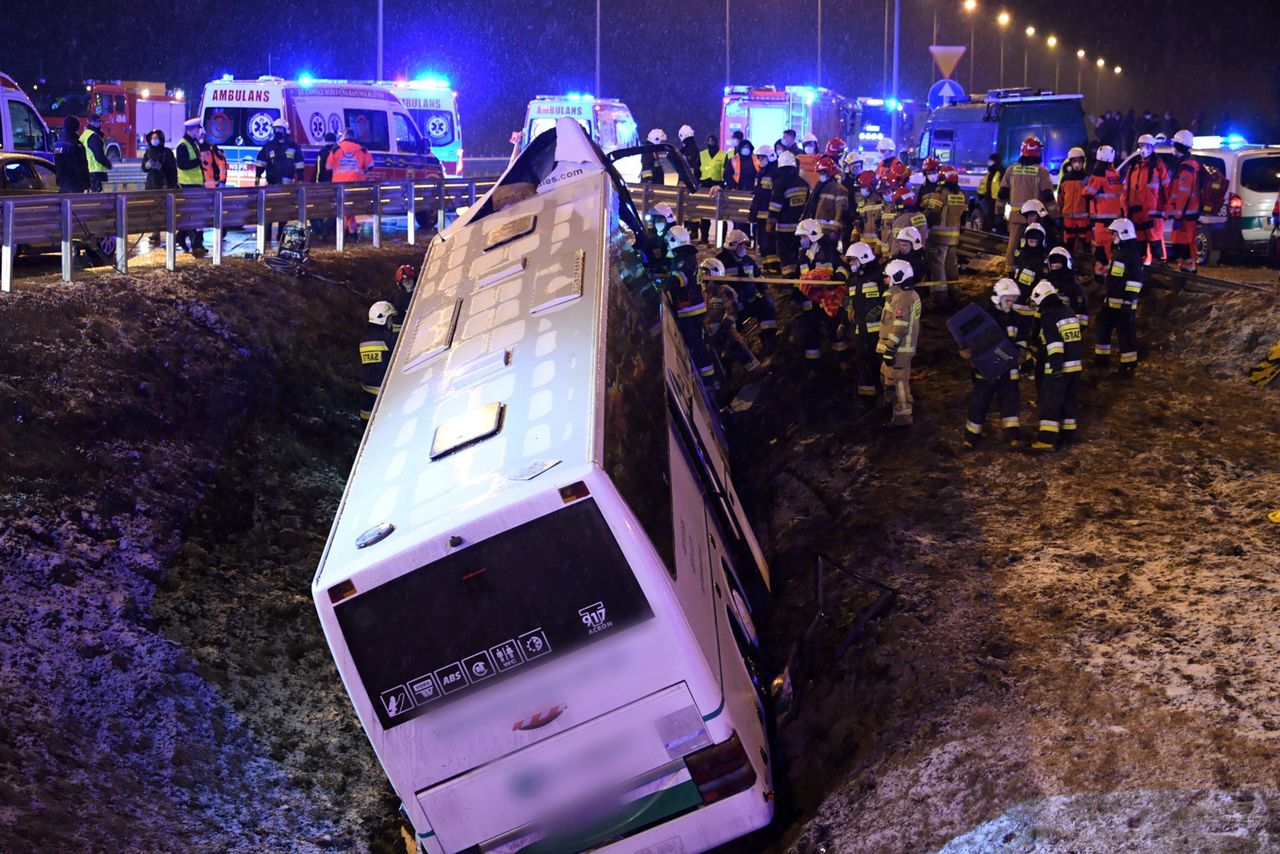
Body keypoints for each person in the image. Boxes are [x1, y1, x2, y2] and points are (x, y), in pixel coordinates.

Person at [961, 278, 1024, 449]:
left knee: (1010, 402)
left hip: (1008, 370)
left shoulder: (1017, 318)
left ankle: (1012, 436)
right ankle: (971, 437)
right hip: (987, 369)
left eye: (1013, 299)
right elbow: (970, 339)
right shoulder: (982, 318)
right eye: (1008, 299)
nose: (1011, 303)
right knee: (979, 402)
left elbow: (1022, 341)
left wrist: (1021, 354)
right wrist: (968, 353)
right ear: (998, 297)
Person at [1030, 281, 1084, 449]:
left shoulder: (1049, 314)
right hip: (1075, 367)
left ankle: (1046, 440)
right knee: (1069, 401)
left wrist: (1055, 368)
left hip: (1059, 367)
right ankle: (1068, 435)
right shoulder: (1068, 311)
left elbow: (1054, 343)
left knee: (1050, 403)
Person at [1093, 217, 1145, 374]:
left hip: (1124, 304)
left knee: (1126, 334)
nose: (1112, 237)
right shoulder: (1120, 251)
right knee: (1102, 325)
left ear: (1124, 233)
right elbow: (1117, 275)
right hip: (1112, 301)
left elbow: (1135, 280)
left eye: (1114, 234)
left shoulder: (1131, 254)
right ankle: (1101, 359)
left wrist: (1129, 302)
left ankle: (1128, 365)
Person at [998, 136, 1056, 272]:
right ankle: (1034, 271)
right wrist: (1055, 216)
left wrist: (998, 213)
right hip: (1035, 218)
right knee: (1036, 245)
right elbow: (1048, 195)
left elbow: (1002, 193)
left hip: (1015, 216)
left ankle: (1010, 271)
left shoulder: (1011, 170)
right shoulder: (1041, 171)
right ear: (1037, 152)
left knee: (1012, 245)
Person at [717, 228, 778, 355]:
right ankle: (726, 359)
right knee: (730, 338)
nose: (745, 247)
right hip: (729, 308)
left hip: (747, 303)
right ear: (733, 245)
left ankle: (769, 343)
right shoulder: (721, 262)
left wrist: (765, 292)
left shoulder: (748, 260)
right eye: (742, 245)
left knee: (766, 307)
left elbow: (758, 278)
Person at [666, 225, 715, 381]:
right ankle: (703, 376)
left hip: (690, 309)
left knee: (695, 344)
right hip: (691, 308)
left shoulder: (683, 259)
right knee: (694, 343)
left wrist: (662, 283)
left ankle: (707, 380)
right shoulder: (685, 255)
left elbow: (680, 279)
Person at [700, 257, 763, 378]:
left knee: (741, 351)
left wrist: (723, 330)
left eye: (705, 272)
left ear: (715, 272)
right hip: (711, 335)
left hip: (727, 332)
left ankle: (759, 375)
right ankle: (725, 383)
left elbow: (731, 312)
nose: (702, 275)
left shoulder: (724, 290)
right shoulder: (704, 292)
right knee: (718, 364)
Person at [876, 258, 921, 426]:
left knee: (899, 381)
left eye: (887, 277)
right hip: (902, 348)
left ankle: (903, 415)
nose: (885, 280)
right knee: (889, 377)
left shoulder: (901, 299)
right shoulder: (910, 295)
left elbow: (899, 328)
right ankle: (893, 408)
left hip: (899, 350)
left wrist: (890, 349)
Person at [844, 241, 885, 406]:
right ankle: (867, 398)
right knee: (862, 362)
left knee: (878, 362)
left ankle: (884, 394)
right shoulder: (854, 280)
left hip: (877, 332)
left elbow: (889, 296)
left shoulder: (878, 276)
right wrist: (846, 313)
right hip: (860, 331)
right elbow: (850, 301)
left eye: (853, 260)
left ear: (863, 258)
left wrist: (880, 308)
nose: (850, 264)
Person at [255, 118, 306, 242]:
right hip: (271, 186)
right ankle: (266, 240)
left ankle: (281, 237)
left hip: (287, 188)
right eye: (275, 129)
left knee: (284, 214)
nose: (277, 131)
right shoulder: (269, 146)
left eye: (279, 129)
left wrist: (300, 180)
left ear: (285, 130)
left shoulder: (294, 147)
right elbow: (261, 162)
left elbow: (299, 164)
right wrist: (257, 177)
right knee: (270, 213)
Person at [1125, 133, 1169, 265]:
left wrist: (1167, 211)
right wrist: (1126, 211)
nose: (1143, 149)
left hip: (1153, 215)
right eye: (1141, 146)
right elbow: (1126, 190)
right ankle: (1143, 273)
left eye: (1146, 146)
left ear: (1152, 147)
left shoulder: (1158, 166)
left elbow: (1168, 189)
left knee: (1156, 245)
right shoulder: (1133, 166)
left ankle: (1160, 269)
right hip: (1136, 214)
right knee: (1139, 248)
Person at [923, 166, 965, 302]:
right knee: (950, 267)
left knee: (937, 267)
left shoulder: (940, 193)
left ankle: (939, 298)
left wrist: (921, 220)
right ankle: (954, 294)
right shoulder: (960, 194)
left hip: (938, 237)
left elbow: (932, 213)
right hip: (953, 237)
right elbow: (963, 216)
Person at [1165, 129, 1203, 273]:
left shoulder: (1187, 168)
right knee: (1182, 244)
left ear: (1179, 145)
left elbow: (1183, 194)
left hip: (1185, 214)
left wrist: (1178, 216)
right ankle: (1186, 270)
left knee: (1182, 244)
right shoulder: (1186, 165)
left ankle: (1188, 270)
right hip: (1186, 213)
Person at [1082, 144, 1123, 276]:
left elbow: (1087, 193)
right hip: (1115, 219)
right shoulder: (1115, 174)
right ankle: (1112, 278)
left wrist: (1087, 183)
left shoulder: (1098, 175)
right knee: (1112, 251)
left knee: (1101, 253)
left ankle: (1103, 281)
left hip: (1102, 221)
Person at [327, 127, 374, 243]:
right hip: (356, 188)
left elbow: (328, 167)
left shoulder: (335, 149)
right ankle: (351, 233)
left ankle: (348, 233)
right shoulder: (362, 150)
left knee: (344, 209)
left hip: (339, 188)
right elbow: (371, 166)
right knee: (349, 210)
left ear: (344, 136)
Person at [766, 150, 808, 276]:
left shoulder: (780, 184)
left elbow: (775, 206)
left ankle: (788, 278)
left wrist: (770, 223)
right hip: (801, 229)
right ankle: (798, 278)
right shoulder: (803, 183)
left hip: (784, 229)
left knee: (785, 253)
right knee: (797, 253)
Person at [801, 157, 848, 268]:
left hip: (828, 232)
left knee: (828, 258)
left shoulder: (839, 189)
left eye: (822, 172)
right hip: (816, 231)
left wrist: (834, 230)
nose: (819, 175)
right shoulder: (819, 188)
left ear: (830, 172)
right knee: (814, 255)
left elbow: (840, 212)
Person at [360, 301, 399, 421]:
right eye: (390, 319)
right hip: (381, 387)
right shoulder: (383, 336)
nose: (391, 322)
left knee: (369, 418)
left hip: (368, 388)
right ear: (383, 319)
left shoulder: (367, 336)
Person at [175, 118, 208, 257]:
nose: (198, 131)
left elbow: (203, 146)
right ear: (190, 130)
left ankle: (180, 238)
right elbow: (182, 165)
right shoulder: (182, 145)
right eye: (197, 129)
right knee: (192, 216)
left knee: (193, 215)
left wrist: (201, 138)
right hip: (188, 185)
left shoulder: (192, 143)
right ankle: (196, 245)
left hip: (195, 184)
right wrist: (197, 161)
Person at [1011, 222, 1049, 321]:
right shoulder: (1020, 255)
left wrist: (1035, 298)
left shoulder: (1043, 259)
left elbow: (1043, 282)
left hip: (1030, 306)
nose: (1032, 244)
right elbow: (1014, 274)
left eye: (1035, 242)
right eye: (1030, 241)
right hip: (1015, 301)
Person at [1057, 147, 1090, 254]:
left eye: (1080, 161)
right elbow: (1060, 198)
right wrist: (1059, 213)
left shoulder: (1087, 179)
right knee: (1068, 245)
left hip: (1083, 219)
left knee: (1085, 245)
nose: (1077, 164)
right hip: (1068, 219)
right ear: (1071, 162)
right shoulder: (1065, 179)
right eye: (1075, 161)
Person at [1045, 246, 1089, 328]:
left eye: (1057, 267)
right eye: (1053, 267)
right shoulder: (1047, 285)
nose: (1055, 270)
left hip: (1066, 329)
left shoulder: (1075, 288)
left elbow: (1082, 315)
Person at [695, 133, 727, 243]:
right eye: (709, 141)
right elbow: (697, 171)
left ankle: (720, 240)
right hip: (704, 185)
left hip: (718, 186)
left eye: (713, 141)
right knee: (704, 214)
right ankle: (704, 238)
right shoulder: (702, 154)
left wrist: (723, 185)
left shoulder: (723, 155)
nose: (711, 143)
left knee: (721, 214)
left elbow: (726, 171)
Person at [726, 138, 761, 236]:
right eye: (744, 147)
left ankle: (754, 238)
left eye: (748, 147)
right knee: (739, 218)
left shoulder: (756, 159)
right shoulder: (733, 160)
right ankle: (742, 236)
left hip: (753, 192)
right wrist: (733, 186)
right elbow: (727, 175)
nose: (746, 149)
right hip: (739, 192)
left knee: (754, 216)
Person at [311, 131, 340, 238]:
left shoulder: (322, 153)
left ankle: (321, 232)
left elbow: (318, 170)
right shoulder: (339, 152)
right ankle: (331, 230)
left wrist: (315, 184)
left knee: (317, 208)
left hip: (324, 186)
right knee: (334, 208)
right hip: (337, 186)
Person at [53, 116, 90, 194]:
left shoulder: (57, 144)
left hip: (62, 183)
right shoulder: (76, 145)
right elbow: (82, 166)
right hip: (75, 184)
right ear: (76, 128)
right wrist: (87, 183)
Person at [750, 143, 776, 248]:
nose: (759, 160)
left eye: (762, 157)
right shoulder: (760, 173)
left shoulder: (774, 173)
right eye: (758, 157)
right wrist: (753, 210)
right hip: (760, 215)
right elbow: (757, 194)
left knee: (769, 244)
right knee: (761, 242)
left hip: (769, 216)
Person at [80, 114, 112, 192]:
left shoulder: (85, 135)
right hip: (95, 172)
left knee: (90, 198)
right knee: (96, 198)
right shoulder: (93, 137)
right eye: (98, 122)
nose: (99, 124)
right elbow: (99, 156)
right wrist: (108, 164)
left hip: (87, 171)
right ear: (92, 123)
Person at [977, 153, 1004, 231]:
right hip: (990, 198)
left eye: (991, 160)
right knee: (987, 215)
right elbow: (984, 184)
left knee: (997, 217)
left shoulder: (1001, 171)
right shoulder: (990, 172)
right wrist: (980, 194)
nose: (989, 162)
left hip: (998, 199)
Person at [390, 264, 417, 334]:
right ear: (400, 284)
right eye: (404, 281)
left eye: (409, 279)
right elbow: (398, 322)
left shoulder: (423, 291)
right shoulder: (400, 300)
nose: (407, 282)